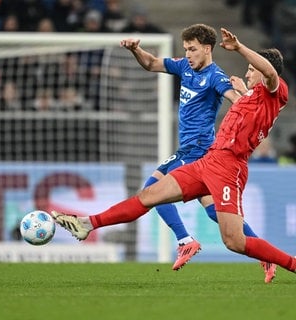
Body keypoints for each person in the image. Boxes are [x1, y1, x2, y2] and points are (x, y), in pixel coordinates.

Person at [51, 27, 296, 279]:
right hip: (209, 160)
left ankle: (288, 263)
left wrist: (240, 48)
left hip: (227, 166)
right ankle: (88, 224)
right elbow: (247, 106)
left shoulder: (274, 90)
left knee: (234, 241)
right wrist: (244, 91)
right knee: (149, 194)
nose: (247, 72)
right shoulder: (252, 95)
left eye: (251, 69)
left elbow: (266, 73)